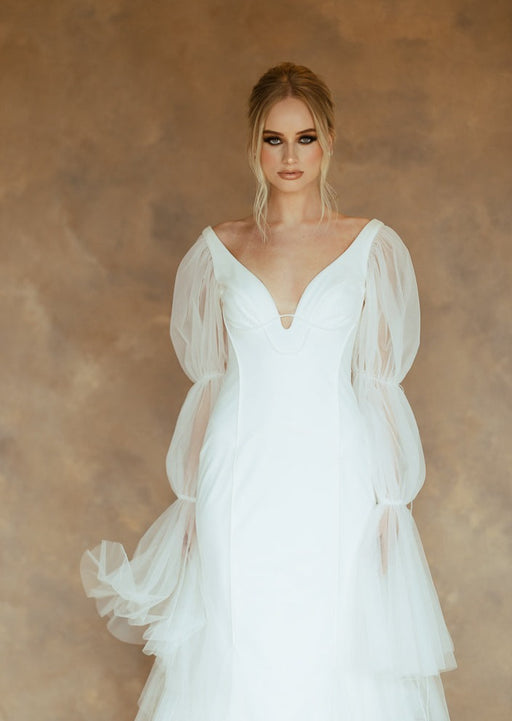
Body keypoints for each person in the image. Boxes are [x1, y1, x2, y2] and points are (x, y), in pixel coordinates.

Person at [80, 62, 456, 721]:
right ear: (254, 146)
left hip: (337, 479)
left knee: (334, 646)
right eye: (274, 139)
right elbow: (208, 383)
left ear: (329, 141)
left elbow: (379, 385)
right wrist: (194, 506)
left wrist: (392, 506)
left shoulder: (370, 246)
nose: (290, 155)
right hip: (238, 478)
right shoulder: (218, 247)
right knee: (238, 642)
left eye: (304, 138)